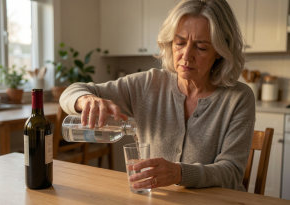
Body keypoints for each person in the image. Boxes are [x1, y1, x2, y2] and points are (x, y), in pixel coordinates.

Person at [60, 0, 255, 191]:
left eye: (201, 47)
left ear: (220, 50)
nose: (186, 55)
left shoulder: (238, 98)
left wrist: (180, 173)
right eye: (179, 42)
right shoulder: (148, 85)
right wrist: (86, 99)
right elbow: (70, 92)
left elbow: (232, 172)